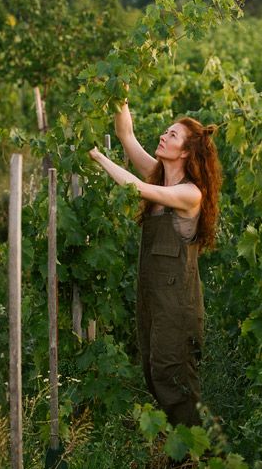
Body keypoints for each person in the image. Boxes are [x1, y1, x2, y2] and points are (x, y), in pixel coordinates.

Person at [88, 98, 221, 427]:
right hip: (152, 297)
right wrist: (122, 96)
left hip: (177, 304)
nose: (163, 136)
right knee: (153, 371)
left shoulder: (190, 194)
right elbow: (127, 134)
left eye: (172, 136)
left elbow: (136, 187)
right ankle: (182, 451)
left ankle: (203, 453)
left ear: (187, 152)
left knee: (174, 376)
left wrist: (98, 157)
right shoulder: (159, 178)